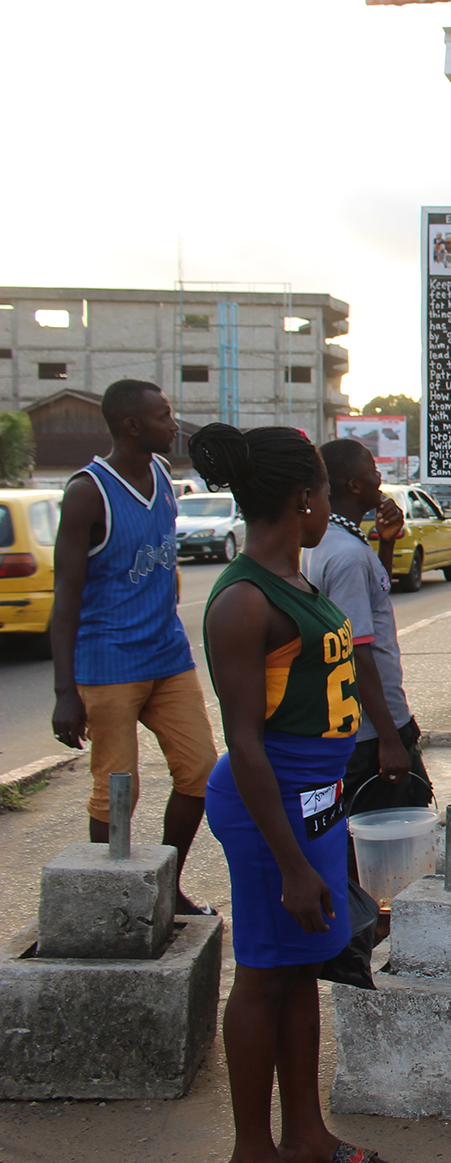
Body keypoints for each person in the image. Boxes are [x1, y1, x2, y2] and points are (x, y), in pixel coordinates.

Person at [191, 424, 382, 1163]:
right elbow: (243, 742)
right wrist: (294, 865)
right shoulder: (243, 600)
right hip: (268, 807)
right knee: (264, 976)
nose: (329, 504)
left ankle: (305, 1136)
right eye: (326, 492)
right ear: (304, 499)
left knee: (303, 972)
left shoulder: (297, 580)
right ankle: (252, 1149)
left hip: (316, 804)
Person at [48, 378, 218, 915]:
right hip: (108, 663)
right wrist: (64, 692)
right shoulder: (87, 492)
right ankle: (116, 899)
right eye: (165, 416)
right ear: (132, 425)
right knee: (117, 790)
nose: (174, 425)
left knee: (200, 773)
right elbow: (65, 597)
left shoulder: (165, 476)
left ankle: (164, 885)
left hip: (167, 657)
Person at [307, 439, 434, 822]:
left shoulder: (329, 541)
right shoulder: (345, 556)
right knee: (389, 831)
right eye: (373, 472)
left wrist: (387, 546)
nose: (380, 479)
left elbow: (368, 605)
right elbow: (356, 650)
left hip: (365, 726)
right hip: (372, 733)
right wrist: (390, 740)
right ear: (353, 485)